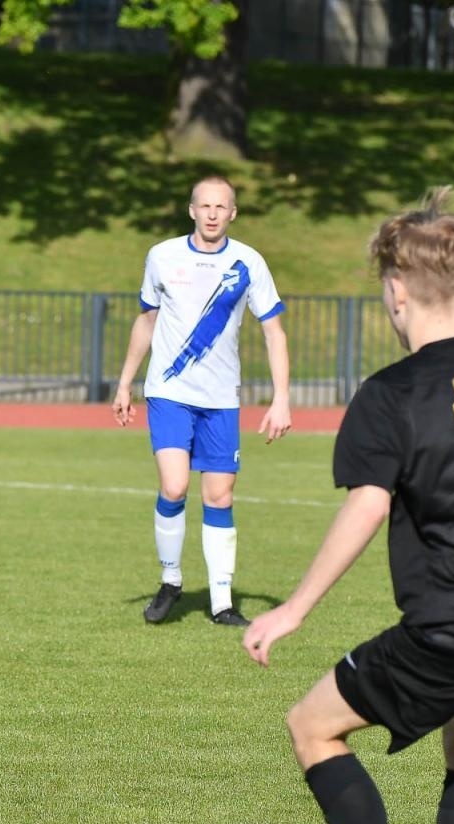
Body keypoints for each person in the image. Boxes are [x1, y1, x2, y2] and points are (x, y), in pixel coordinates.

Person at [242, 187, 454, 824]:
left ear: (398, 292)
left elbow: (367, 508)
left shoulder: (391, 393)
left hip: (448, 627)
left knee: (312, 726)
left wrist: (292, 609)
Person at [112, 175, 292, 626]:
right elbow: (146, 321)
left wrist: (281, 399)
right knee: (174, 486)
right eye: (204, 206)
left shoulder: (248, 261)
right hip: (169, 393)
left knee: (219, 495)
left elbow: (274, 331)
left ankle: (221, 601)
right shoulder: (162, 255)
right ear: (191, 210)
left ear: (233, 213)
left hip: (220, 398)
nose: (212, 214)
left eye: (221, 207)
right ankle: (171, 580)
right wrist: (124, 383)